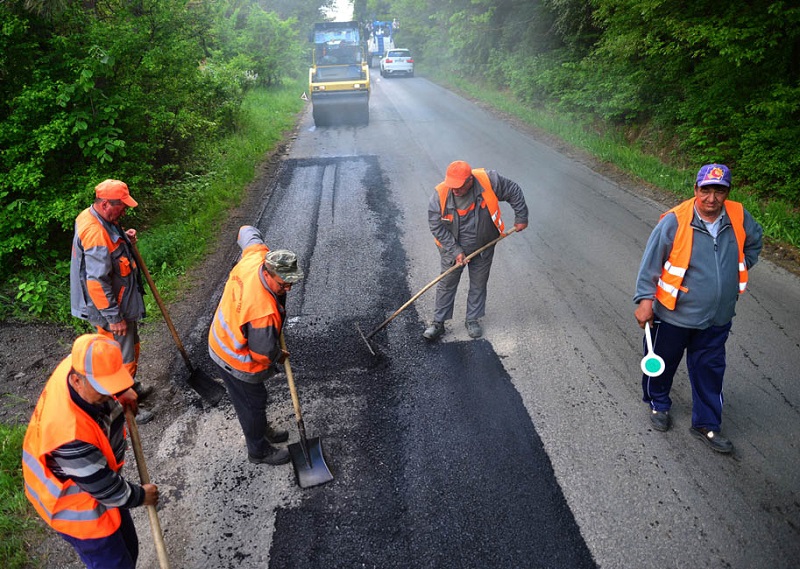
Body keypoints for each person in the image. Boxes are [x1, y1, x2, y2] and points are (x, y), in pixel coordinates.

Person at [634, 164, 763, 453]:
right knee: (661, 363)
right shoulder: (674, 221)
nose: (712, 198)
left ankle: (707, 423)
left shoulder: (739, 216)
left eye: (719, 191)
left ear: (727, 193)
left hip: (718, 316)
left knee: (710, 369)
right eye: (706, 190)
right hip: (673, 314)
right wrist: (644, 300)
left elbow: (754, 243)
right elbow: (651, 262)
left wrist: (735, 271)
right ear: (696, 190)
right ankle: (659, 404)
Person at [22, 334, 159, 568]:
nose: (109, 394)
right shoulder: (70, 436)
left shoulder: (78, 363)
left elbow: (105, 377)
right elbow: (108, 490)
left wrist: (121, 389)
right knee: (114, 563)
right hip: (75, 508)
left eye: (112, 384)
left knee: (129, 546)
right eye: (103, 388)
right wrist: (140, 496)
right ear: (76, 381)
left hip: (96, 481)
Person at [208, 226, 304, 465]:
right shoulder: (262, 311)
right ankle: (258, 451)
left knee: (254, 402)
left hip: (224, 332)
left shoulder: (256, 256)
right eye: (284, 284)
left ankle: (260, 429)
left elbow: (246, 231)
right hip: (233, 355)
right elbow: (261, 354)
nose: (288, 288)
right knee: (252, 403)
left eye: (292, 282)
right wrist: (278, 356)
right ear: (269, 274)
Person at [70, 179, 154, 423]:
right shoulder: (95, 231)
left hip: (119, 302)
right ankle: (123, 405)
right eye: (121, 206)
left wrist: (125, 238)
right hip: (111, 308)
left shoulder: (95, 217)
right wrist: (113, 317)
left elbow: (111, 247)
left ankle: (130, 388)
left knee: (130, 348)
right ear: (105, 204)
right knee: (120, 357)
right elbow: (96, 281)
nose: (125, 211)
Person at [424, 160, 529, 340]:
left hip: (483, 244)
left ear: (469, 181)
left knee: (479, 283)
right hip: (452, 247)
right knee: (447, 283)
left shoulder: (489, 181)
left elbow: (513, 190)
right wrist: (456, 251)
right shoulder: (440, 194)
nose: (454, 190)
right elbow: (436, 227)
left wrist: (521, 216)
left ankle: (472, 319)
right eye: (452, 186)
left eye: (458, 187)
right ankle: (438, 323)